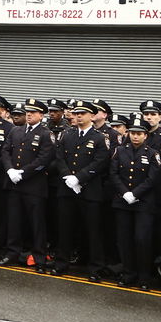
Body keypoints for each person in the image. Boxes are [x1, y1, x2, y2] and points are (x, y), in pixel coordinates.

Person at [52, 99, 111, 280]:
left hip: (89, 190)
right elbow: (59, 157)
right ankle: (61, 264)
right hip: (67, 188)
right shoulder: (66, 135)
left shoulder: (100, 137)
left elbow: (101, 162)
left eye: (82, 114)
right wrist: (68, 176)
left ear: (92, 116)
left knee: (93, 231)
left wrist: (79, 178)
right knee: (64, 229)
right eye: (76, 113)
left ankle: (95, 269)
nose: (78, 116)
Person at [0, 98, 55, 272]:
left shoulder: (46, 134)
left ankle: (39, 257)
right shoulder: (16, 130)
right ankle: (12, 253)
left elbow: (44, 159)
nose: (29, 115)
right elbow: (6, 151)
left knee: (36, 224)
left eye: (33, 112)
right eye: (28, 112)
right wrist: (10, 170)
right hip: (14, 183)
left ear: (41, 115)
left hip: (33, 185)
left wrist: (22, 172)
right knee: (14, 221)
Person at [109, 119, 161, 289]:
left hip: (143, 203)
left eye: (139, 134)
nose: (135, 137)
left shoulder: (152, 154)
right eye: (132, 133)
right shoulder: (119, 151)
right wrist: (125, 193)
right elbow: (114, 174)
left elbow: (152, 178)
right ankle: (128, 273)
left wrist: (135, 193)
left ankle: (144, 277)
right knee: (124, 240)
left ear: (145, 135)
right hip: (122, 201)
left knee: (142, 239)